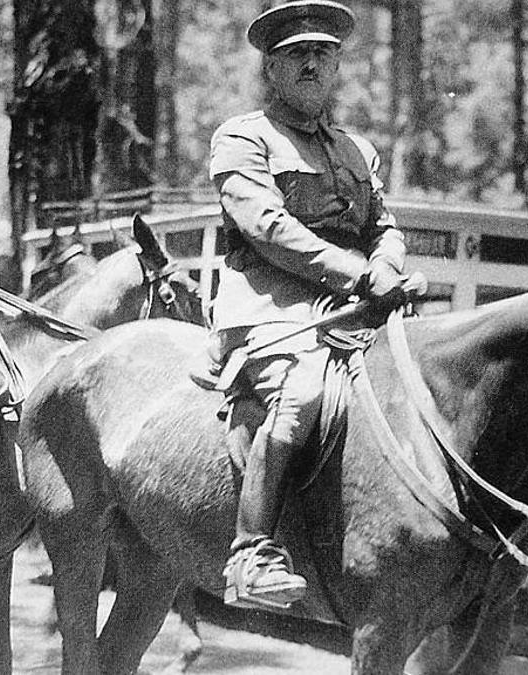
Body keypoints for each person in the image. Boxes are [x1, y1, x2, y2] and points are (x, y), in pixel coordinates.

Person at [209, 0, 408, 609]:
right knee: (305, 395)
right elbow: (268, 229)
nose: (313, 64)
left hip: (357, 305)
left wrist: (387, 264)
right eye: (297, 54)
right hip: (272, 309)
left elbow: (386, 225)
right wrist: (356, 274)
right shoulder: (243, 138)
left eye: (324, 52)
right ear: (271, 69)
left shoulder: (357, 150)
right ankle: (252, 555)